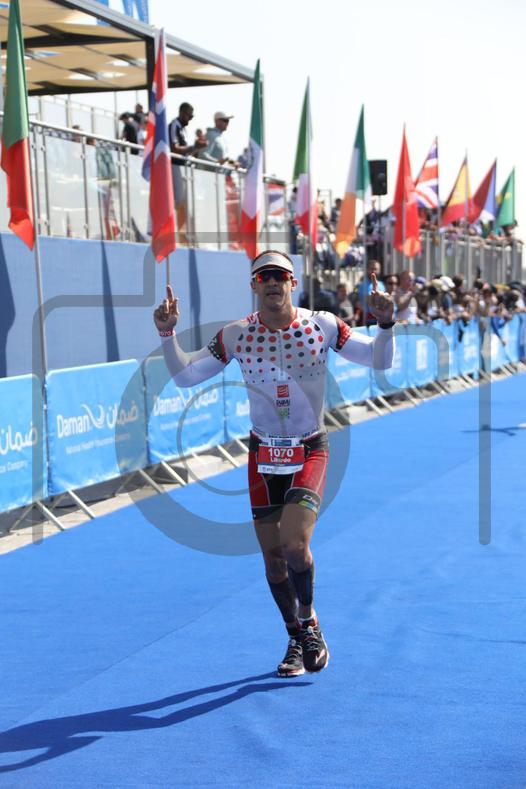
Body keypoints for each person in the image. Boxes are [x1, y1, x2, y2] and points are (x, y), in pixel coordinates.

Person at [153, 250, 395, 677]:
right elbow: (187, 376)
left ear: (292, 283)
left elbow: (379, 359)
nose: (272, 283)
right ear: (253, 285)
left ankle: (309, 622)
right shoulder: (237, 334)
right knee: (274, 562)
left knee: (295, 544)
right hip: (263, 453)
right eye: (263, 277)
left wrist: (386, 324)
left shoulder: (321, 324)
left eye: (280, 276)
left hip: (309, 448)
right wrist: (166, 333)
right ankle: (296, 637)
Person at [168, 103, 207, 241]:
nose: (191, 118)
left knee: (185, 203)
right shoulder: (174, 125)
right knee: (178, 201)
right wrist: (194, 146)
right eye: (189, 115)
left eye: (192, 116)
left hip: (184, 169)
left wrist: (196, 149)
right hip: (175, 167)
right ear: (182, 113)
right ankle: (174, 234)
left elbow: (187, 151)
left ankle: (183, 236)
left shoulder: (184, 130)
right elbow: (174, 149)